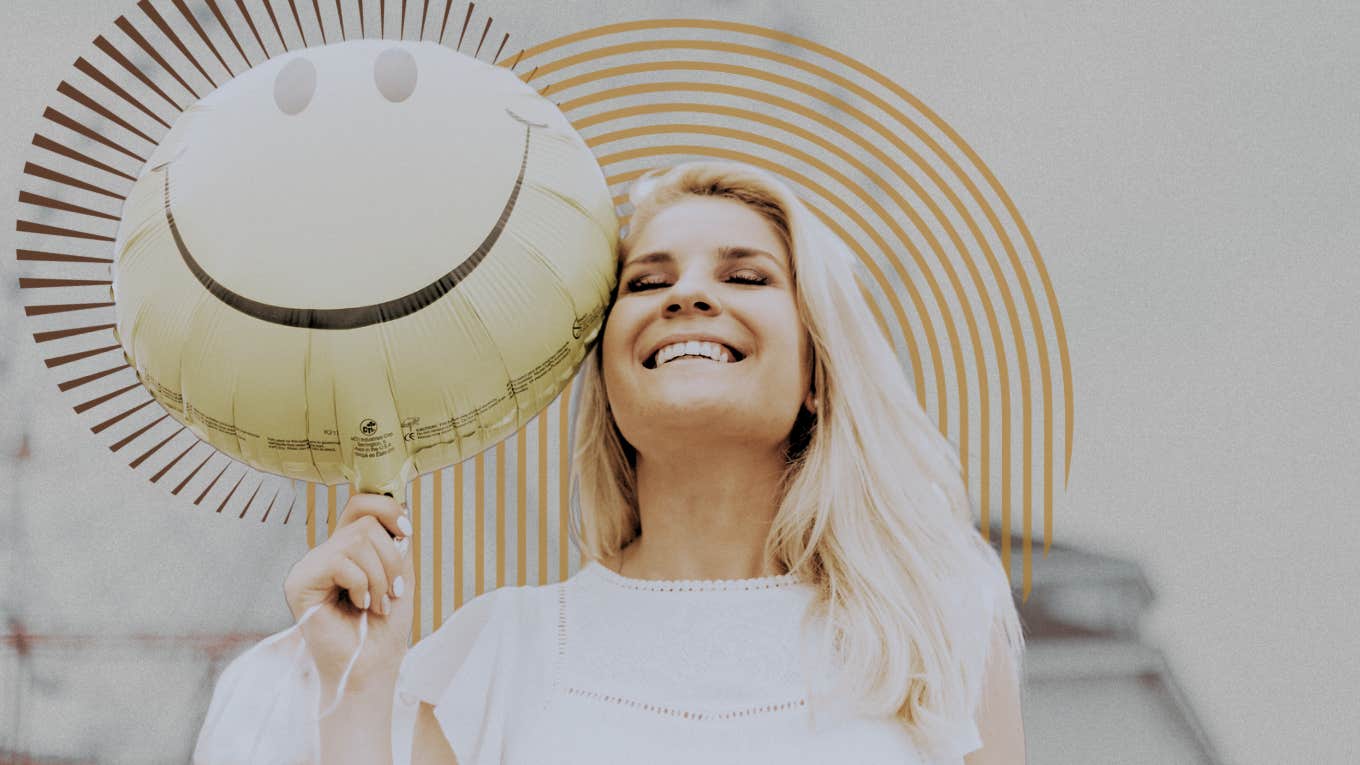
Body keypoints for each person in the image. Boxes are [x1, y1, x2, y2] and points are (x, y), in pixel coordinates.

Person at [193, 161, 1026, 765]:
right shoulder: (497, 654)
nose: (687, 296)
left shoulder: (935, 626)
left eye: (746, 275)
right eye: (646, 281)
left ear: (817, 372)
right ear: (609, 379)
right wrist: (358, 689)